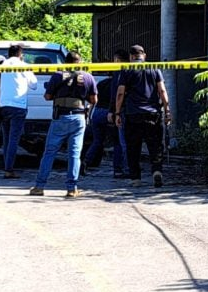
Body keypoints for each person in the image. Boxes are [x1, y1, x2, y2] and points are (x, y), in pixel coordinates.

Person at [29, 51, 97, 198]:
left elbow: (47, 96)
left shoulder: (58, 75)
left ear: (65, 62)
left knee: (49, 153)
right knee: (74, 154)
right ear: (80, 62)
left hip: (60, 117)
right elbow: (94, 100)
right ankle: (72, 188)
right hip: (79, 118)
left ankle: (39, 186)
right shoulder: (87, 76)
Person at [115, 44, 171, 188]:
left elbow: (120, 93)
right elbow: (162, 91)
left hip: (133, 114)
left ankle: (136, 178)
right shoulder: (154, 68)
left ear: (131, 57)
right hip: (153, 114)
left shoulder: (126, 70)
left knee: (133, 147)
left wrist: (117, 112)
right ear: (143, 55)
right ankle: (157, 171)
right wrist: (167, 110)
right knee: (155, 146)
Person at [83, 48, 130, 178]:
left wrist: (89, 114)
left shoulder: (102, 83)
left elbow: (94, 101)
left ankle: (85, 162)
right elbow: (116, 97)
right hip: (111, 112)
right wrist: (115, 112)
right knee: (118, 142)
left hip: (97, 113)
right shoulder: (122, 77)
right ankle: (118, 170)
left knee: (97, 141)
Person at [0, 44, 38, 179]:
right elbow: (34, 85)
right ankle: (9, 169)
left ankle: (7, 167)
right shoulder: (24, 66)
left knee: (7, 139)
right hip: (18, 106)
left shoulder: (0, 65)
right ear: (20, 54)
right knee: (14, 139)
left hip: (3, 105)